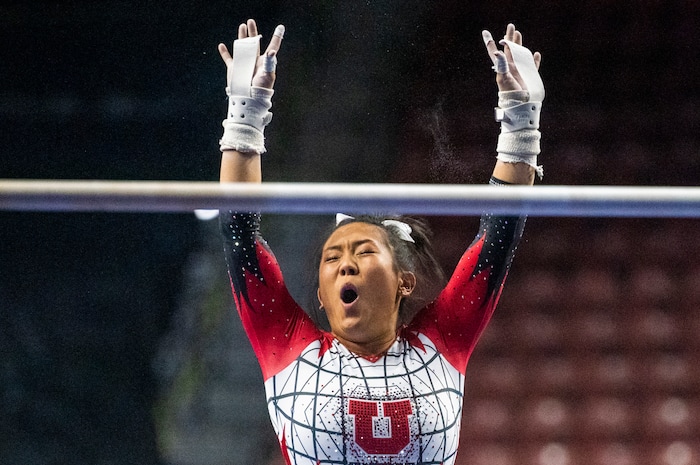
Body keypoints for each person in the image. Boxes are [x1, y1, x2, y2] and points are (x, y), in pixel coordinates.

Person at [217, 18, 543, 465]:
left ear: (404, 281)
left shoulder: (441, 341)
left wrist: (521, 126)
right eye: (332, 258)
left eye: (364, 251)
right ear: (322, 296)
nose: (345, 264)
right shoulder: (288, 345)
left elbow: (497, 240)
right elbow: (239, 234)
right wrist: (244, 115)